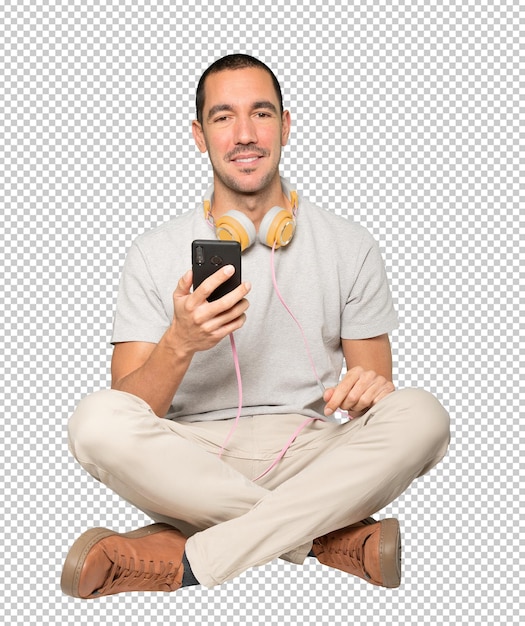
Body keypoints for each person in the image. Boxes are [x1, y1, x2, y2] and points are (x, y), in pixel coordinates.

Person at [61, 54, 450, 599]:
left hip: (312, 453)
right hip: (189, 460)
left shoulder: (350, 244)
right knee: (93, 422)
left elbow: (373, 392)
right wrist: (180, 343)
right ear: (199, 135)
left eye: (260, 114)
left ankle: (191, 561)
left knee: (423, 415)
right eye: (223, 117)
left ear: (286, 125)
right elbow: (127, 408)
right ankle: (320, 540)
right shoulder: (151, 253)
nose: (244, 134)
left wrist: (370, 392)